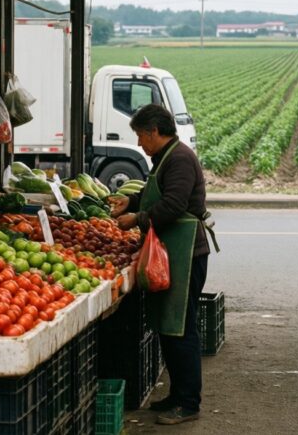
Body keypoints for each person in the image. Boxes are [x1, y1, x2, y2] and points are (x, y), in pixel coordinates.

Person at [109, 104, 216, 426]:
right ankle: (177, 394)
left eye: (141, 136)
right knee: (170, 328)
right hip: (171, 251)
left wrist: (137, 218)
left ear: (155, 131)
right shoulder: (166, 156)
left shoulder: (180, 158)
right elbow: (157, 194)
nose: (140, 143)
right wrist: (134, 200)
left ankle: (188, 402)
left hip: (185, 253)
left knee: (181, 328)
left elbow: (173, 204)